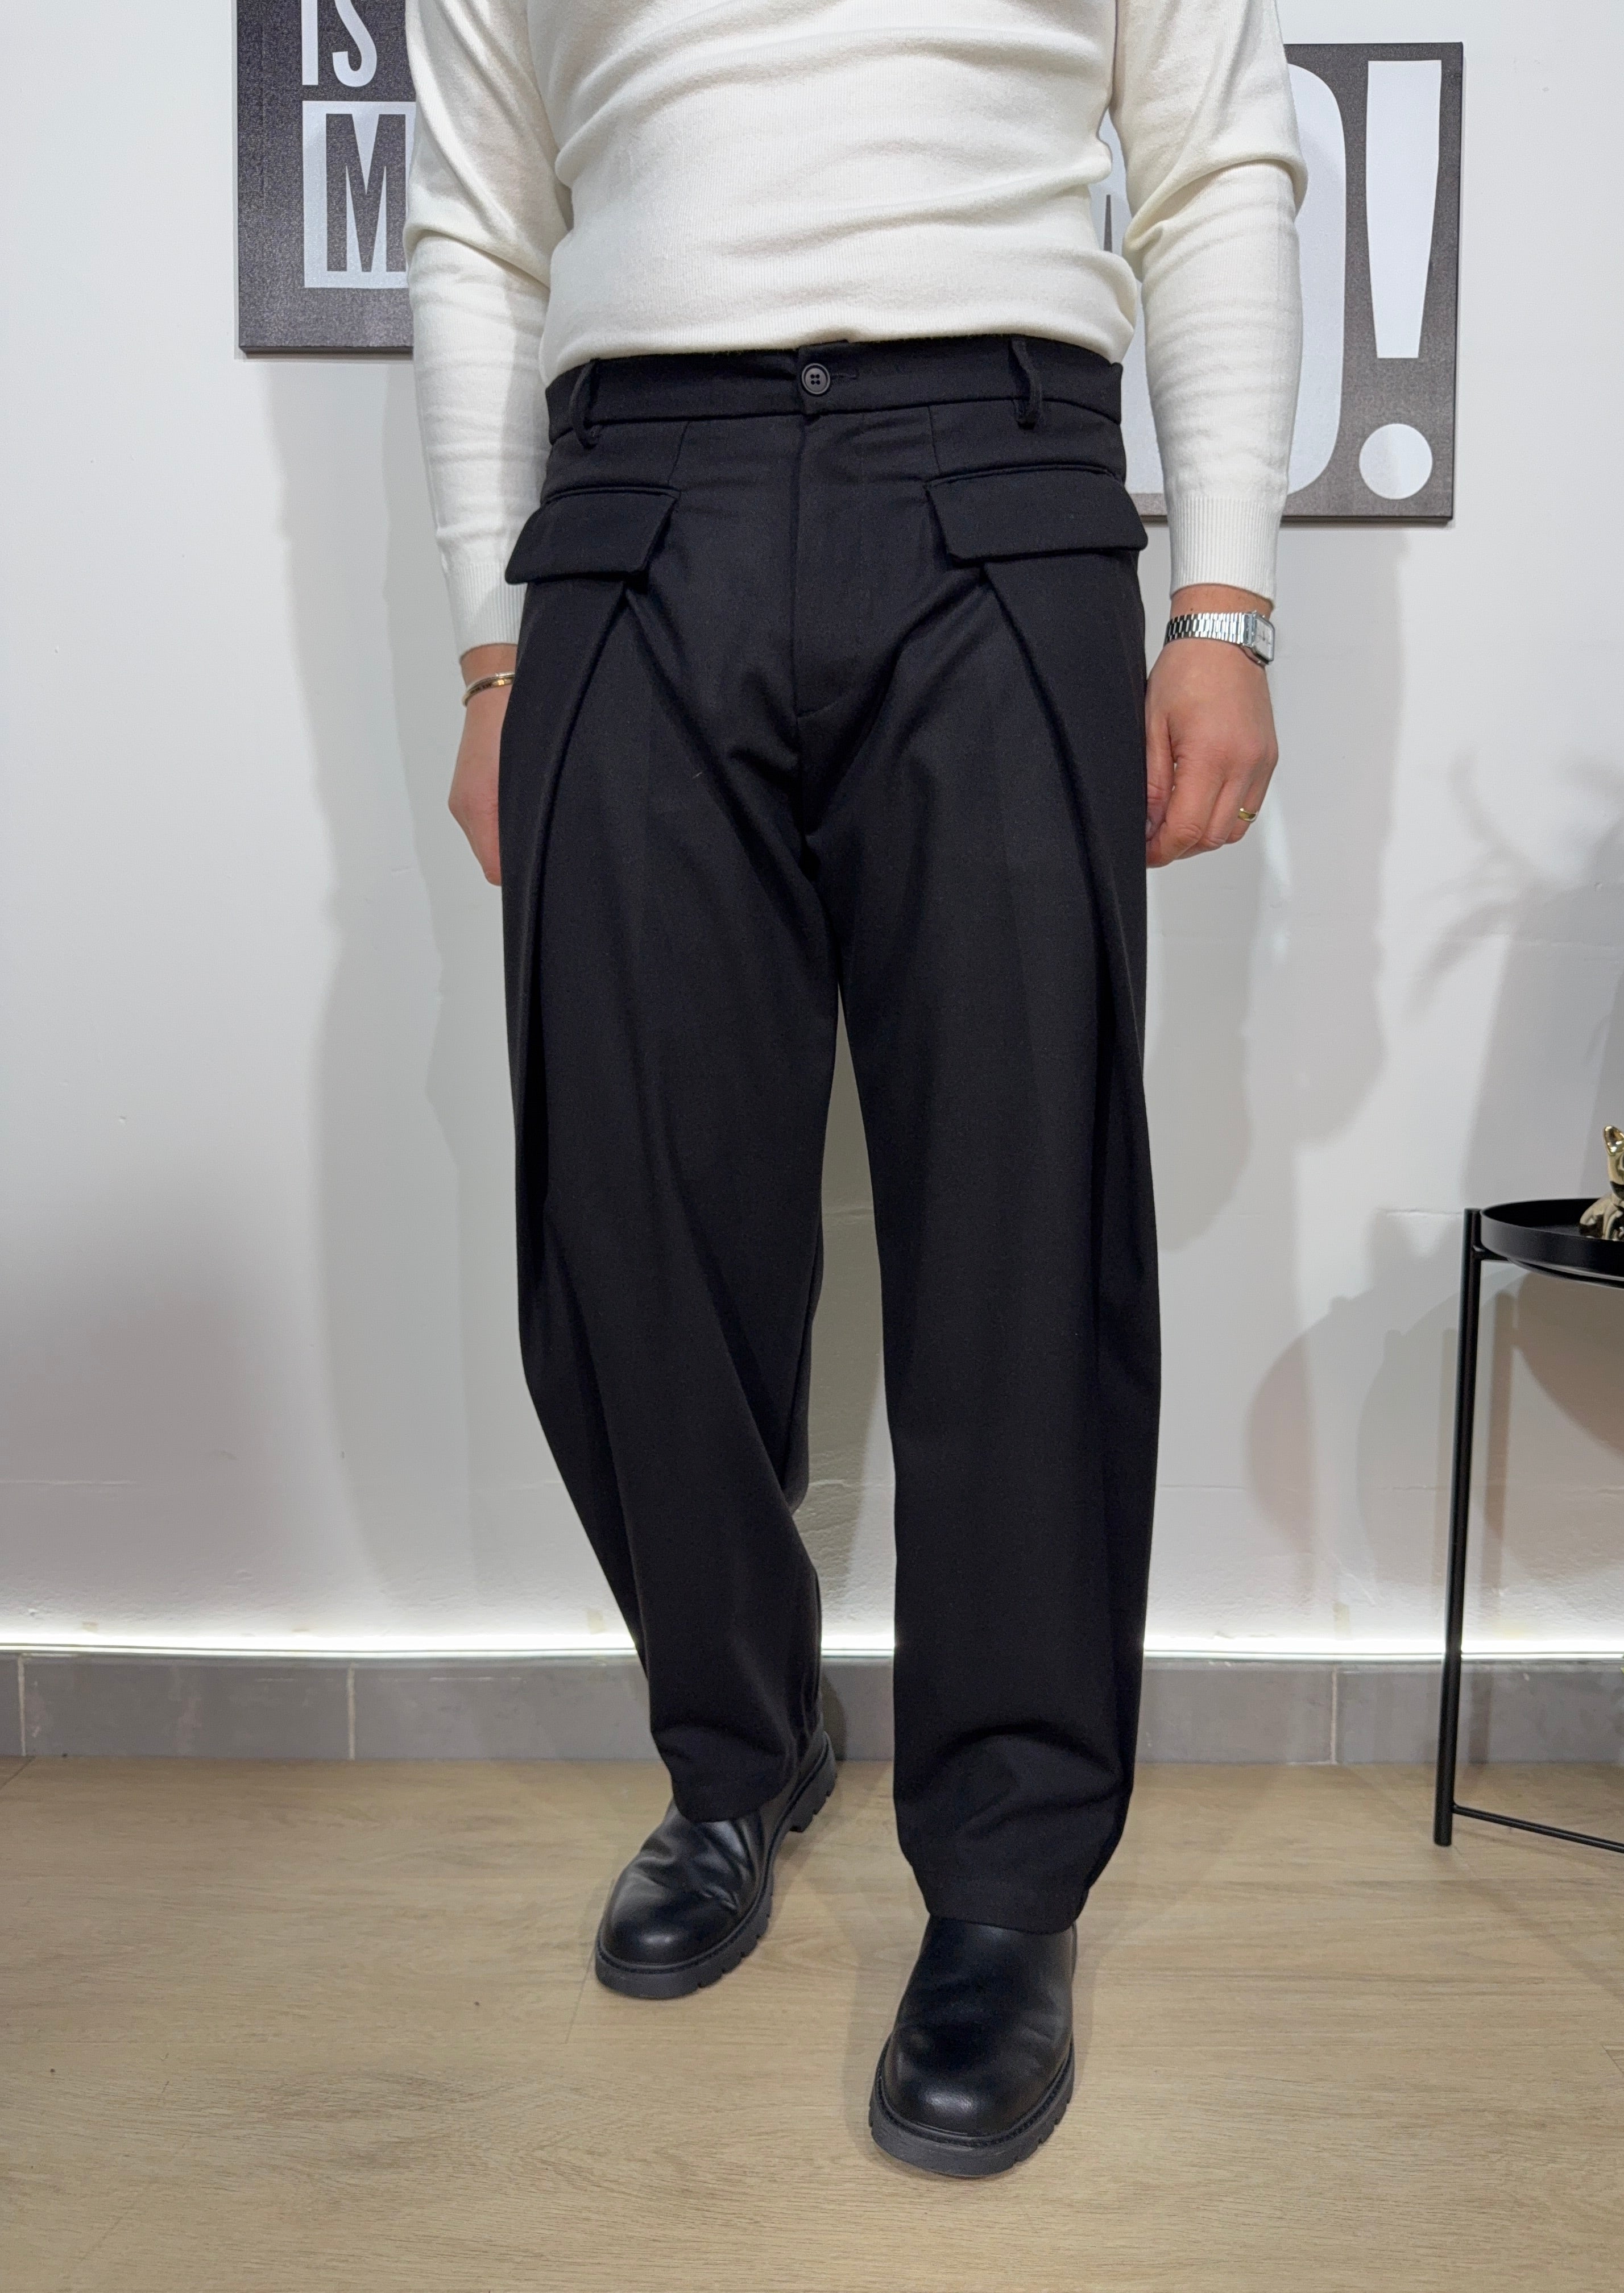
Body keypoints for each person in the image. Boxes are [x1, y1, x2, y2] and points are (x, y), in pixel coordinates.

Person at [404, 0, 1303, 2178]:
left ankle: (1005, 1874)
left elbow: (1209, 161)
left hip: (999, 470)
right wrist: (493, 651)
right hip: (631, 501)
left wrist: (1225, 604)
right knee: (633, 1205)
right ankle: (738, 1744)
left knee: (1018, 1207)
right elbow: (475, 223)